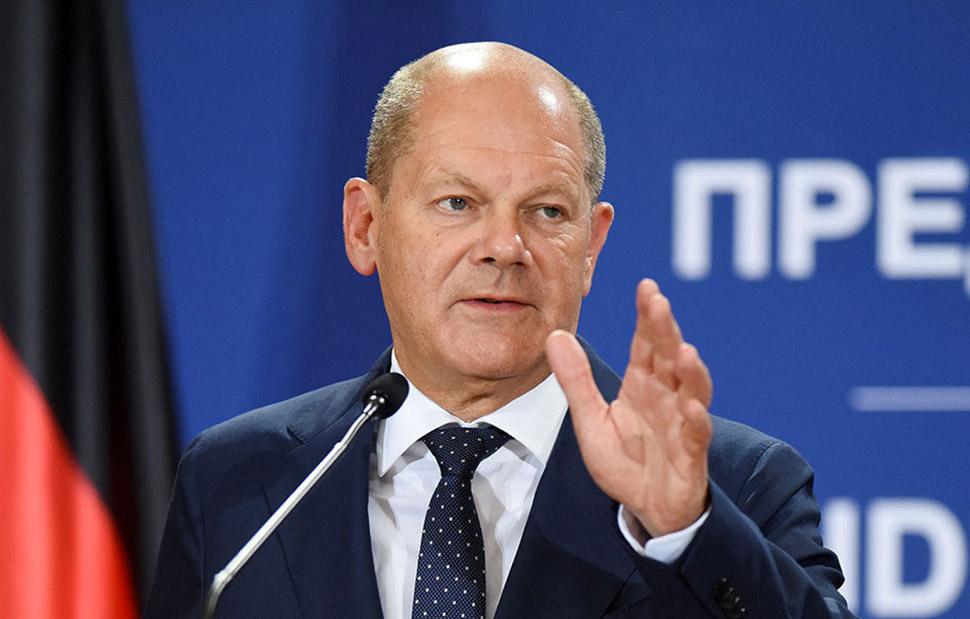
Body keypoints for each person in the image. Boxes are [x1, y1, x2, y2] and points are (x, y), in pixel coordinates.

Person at [146, 42, 854, 618]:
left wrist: (683, 529)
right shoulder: (239, 481)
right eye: (458, 202)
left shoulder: (731, 485)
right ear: (365, 226)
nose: (504, 247)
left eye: (547, 211)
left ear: (591, 246)